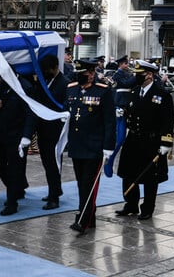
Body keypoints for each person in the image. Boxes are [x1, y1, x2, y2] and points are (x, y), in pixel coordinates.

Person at [116, 60, 174, 220]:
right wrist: (122, 113)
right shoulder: (134, 91)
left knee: (150, 176)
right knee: (128, 174)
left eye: (139, 74)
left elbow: (168, 122)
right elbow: (131, 111)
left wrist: (166, 143)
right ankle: (131, 205)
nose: (136, 77)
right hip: (133, 139)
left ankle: (148, 208)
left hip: (151, 142)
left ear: (149, 75)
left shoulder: (162, 95)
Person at [65, 59, 116, 235]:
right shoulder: (71, 88)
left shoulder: (103, 91)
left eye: (87, 73)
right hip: (77, 144)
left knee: (89, 184)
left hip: (95, 146)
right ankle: (90, 217)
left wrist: (109, 146)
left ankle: (83, 220)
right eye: (82, 73)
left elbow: (110, 121)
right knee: (81, 183)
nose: (87, 76)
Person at [0, 70, 35, 216]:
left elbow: (31, 112)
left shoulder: (25, 86)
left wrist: (27, 136)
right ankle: (17, 188)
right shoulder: (3, 85)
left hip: (17, 135)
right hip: (0, 133)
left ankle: (12, 202)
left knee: (15, 168)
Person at [34, 54, 68, 210]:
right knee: (47, 163)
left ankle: (54, 198)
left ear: (55, 68)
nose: (45, 72)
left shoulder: (65, 84)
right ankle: (54, 190)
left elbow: (65, 107)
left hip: (56, 131)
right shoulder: (45, 81)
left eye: (47, 69)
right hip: (43, 128)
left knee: (54, 164)